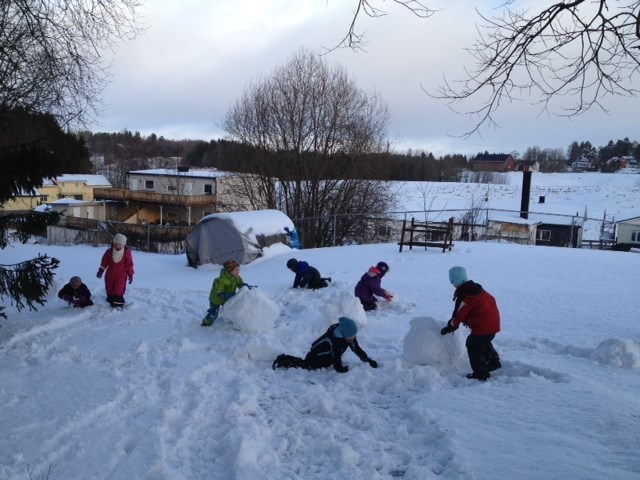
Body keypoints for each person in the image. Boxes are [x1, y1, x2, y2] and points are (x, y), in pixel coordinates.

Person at [440, 266, 501, 381]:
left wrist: (449, 327)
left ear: (456, 281)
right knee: (483, 341)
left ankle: (481, 373)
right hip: (493, 323)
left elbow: (458, 315)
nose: (451, 283)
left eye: (452, 280)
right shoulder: (476, 289)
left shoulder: (466, 295)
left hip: (483, 326)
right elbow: (491, 300)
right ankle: (494, 361)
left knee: (472, 344)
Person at [272, 317, 378, 373]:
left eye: (354, 336)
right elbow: (337, 356)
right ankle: (283, 359)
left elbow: (356, 349)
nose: (353, 338)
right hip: (316, 355)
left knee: (329, 362)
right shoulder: (334, 340)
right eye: (351, 336)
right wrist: (340, 369)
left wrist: (367, 360)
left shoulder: (348, 336)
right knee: (306, 365)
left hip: (329, 354)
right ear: (344, 333)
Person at [202, 259, 251, 326]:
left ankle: (231, 320)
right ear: (230, 270)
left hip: (227, 298)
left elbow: (240, 284)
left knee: (230, 308)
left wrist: (246, 286)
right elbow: (218, 292)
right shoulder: (222, 280)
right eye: (236, 270)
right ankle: (206, 323)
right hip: (216, 299)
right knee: (214, 313)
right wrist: (226, 295)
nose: (238, 272)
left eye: (239, 269)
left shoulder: (236, 278)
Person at [97, 233, 134, 307]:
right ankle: (110, 298)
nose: (117, 246)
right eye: (116, 244)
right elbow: (104, 262)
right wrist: (101, 271)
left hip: (121, 274)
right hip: (110, 273)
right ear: (113, 243)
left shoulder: (126, 253)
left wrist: (130, 275)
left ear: (123, 245)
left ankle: (118, 301)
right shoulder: (109, 252)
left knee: (119, 288)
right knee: (109, 286)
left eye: (120, 245)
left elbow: (129, 265)